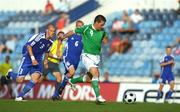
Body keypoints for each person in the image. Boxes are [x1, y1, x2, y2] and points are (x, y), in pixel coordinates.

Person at [6, 24, 55, 101]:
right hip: (28, 58)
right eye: (51, 31)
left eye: (54, 31)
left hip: (38, 60)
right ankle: (10, 73)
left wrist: (45, 60)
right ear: (47, 30)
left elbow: (47, 52)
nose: (53, 33)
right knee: (20, 80)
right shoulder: (38, 37)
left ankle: (19, 96)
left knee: (35, 79)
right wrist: (32, 59)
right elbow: (29, 46)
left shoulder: (51, 42)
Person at [68, 15, 108, 103]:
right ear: (96, 22)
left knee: (89, 78)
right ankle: (98, 97)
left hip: (96, 57)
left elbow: (105, 39)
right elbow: (73, 31)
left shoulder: (102, 31)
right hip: (87, 55)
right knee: (95, 73)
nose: (102, 26)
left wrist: (105, 40)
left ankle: (72, 81)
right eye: (101, 24)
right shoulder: (86, 28)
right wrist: (63, 36)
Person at [57, 20, 84, 99]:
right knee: (71, 73)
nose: (80, 27)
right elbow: (60, 39)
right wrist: (59, 50)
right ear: (76, 26)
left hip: (76, 60)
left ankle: (58, 93)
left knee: (68, 75)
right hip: (68, 57)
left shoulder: (84, 37)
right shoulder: (71, 33)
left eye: (82, 26)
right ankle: (70, 83)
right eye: (79, 26)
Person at [39, 31, 65, 101]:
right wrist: (56, 57)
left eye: (63, 36)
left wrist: (61, 58)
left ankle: (55, 95)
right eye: (60, 36)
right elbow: (48, 53)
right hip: (49, 62)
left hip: (55, 64)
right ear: (57, 36)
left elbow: (60, 57)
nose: (62, 37)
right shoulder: (53, 43)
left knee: (59, 78)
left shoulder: (63, 45)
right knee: (39, 80)